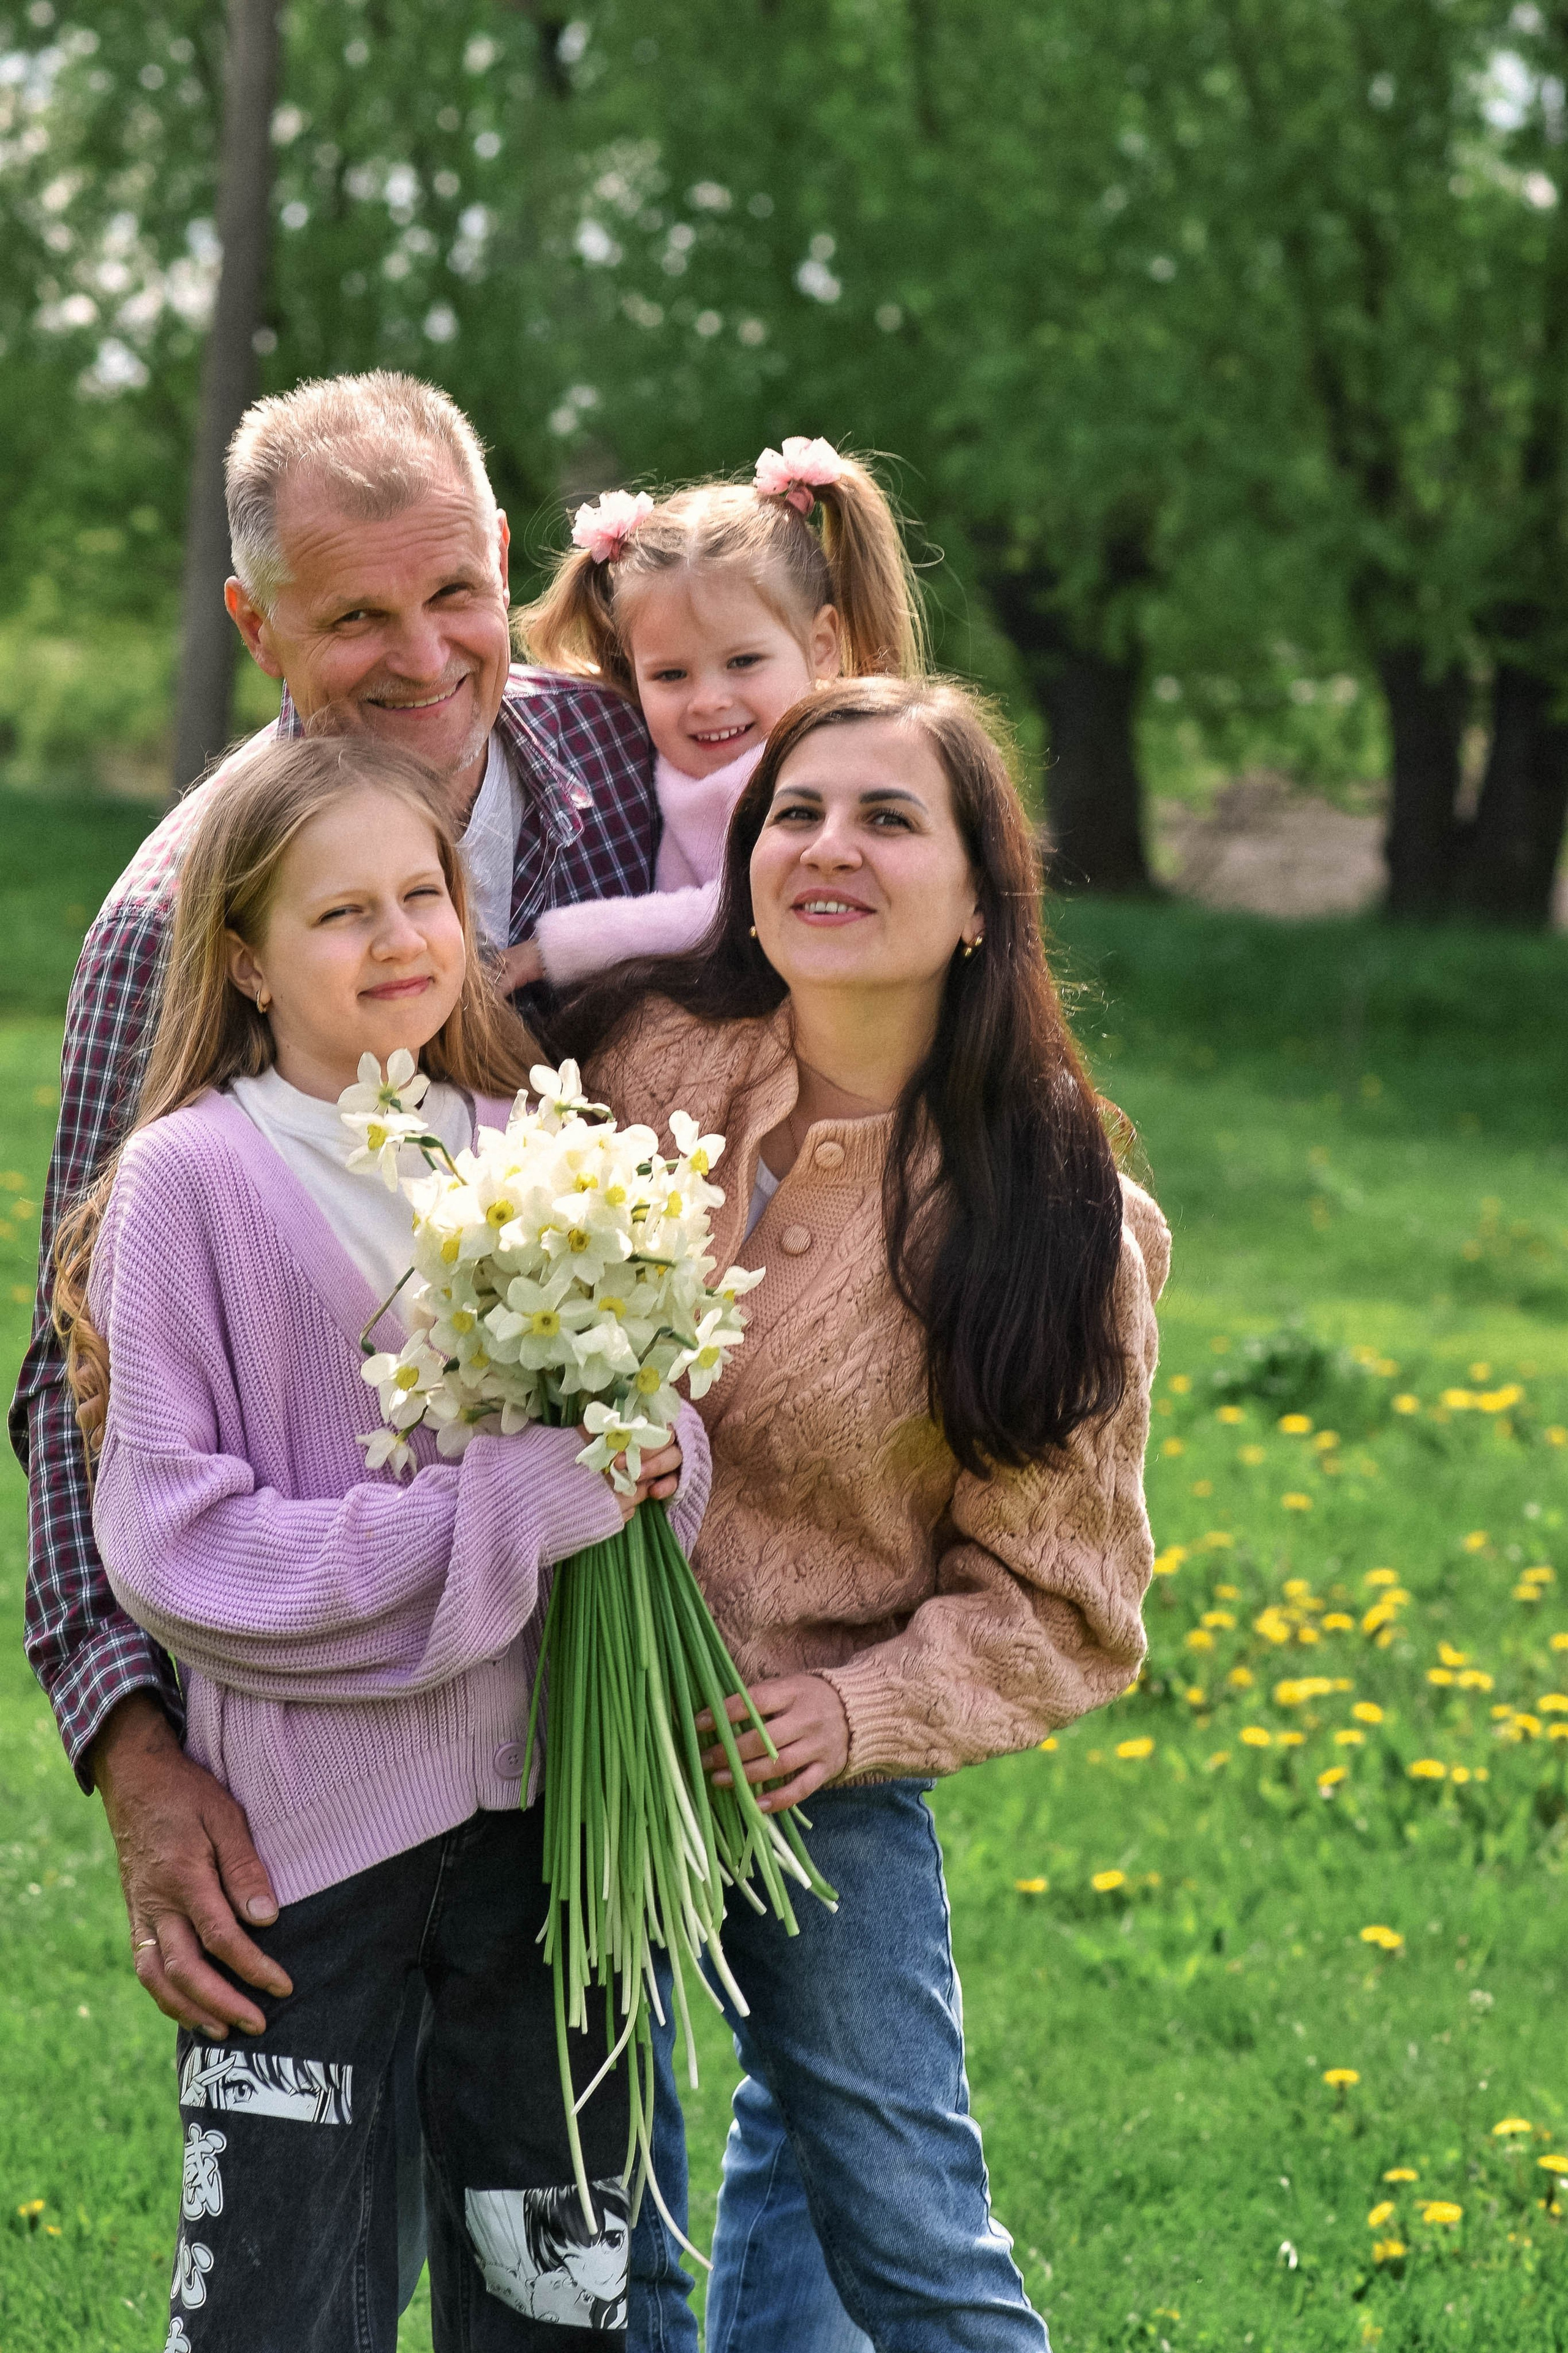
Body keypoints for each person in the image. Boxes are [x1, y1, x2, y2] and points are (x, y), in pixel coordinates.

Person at [9, 371, 661, 2110]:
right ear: (256, 625)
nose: (428, 657)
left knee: (599, 2211)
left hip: (628, 1693)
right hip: (347, 1759)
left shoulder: (613, 753)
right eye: (354, 616)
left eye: (457, 593)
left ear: (509, 562)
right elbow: (73, 1377)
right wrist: (136, 1759)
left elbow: (861, 761)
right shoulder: (177, 921)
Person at [53, 733, 707, 2349]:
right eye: (342, 912)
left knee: (559, 2311)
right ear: (246, 962)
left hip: (561, 1848)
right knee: (277, 2312)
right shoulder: (191, 1184)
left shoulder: (537, 1152)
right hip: (308, 1866)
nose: (403, 935)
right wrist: (509, 1511)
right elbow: (179, 1548)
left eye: (425, 892)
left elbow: (667, 1455)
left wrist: (654, 1453)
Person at [560, 676, 1169, 2353]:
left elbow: (1066, 1602)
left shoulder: (1055, 1221)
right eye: (797, 813)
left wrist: (857, 1709)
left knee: (905, 2232)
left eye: (890, 819)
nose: (828, 848)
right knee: (584, 2241)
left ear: (983, 902)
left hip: (808, 1773)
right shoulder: (632, 1066)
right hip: (545, 1739)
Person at [510, 434, 922, 991]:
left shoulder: (815, 769)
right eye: (670, 675)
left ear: (822, 645)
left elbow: (740, 907)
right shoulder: (645, 752)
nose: (708, 701)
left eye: (743, 661)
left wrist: (552, 948)